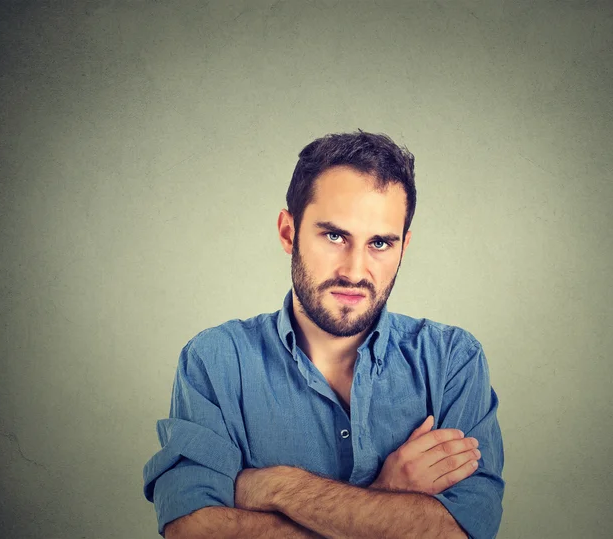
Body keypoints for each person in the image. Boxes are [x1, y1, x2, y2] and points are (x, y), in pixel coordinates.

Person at [142, 130, 505, 538]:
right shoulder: (215, 360)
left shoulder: (452, 361)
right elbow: (194, 531)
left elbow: (460, 532)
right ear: (288, 232)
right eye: (334, 236)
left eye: (381, 243)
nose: (354, 270)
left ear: (404, 246)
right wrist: (384, 494)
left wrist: (278, 486)